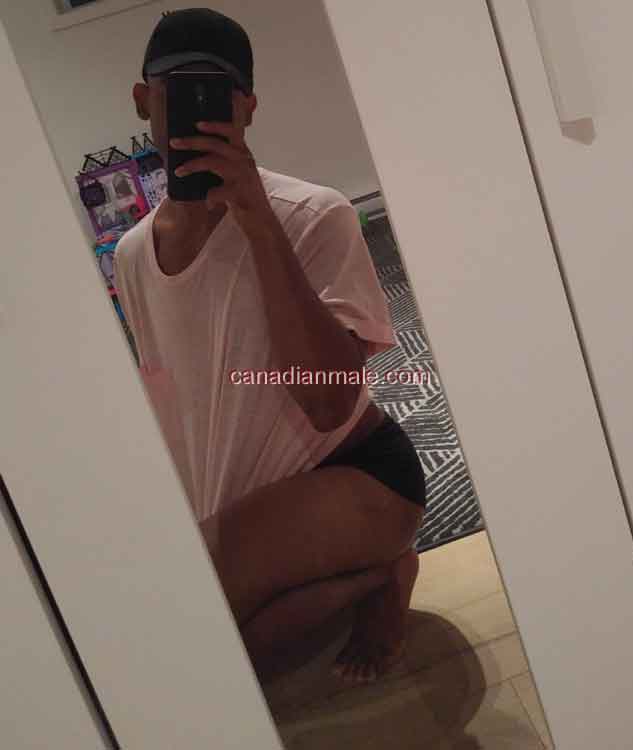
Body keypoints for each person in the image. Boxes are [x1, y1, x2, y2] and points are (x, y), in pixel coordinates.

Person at [114, 8, 428, 685]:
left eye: (217, 92)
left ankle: (380, 564)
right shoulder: (132, 255)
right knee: (229, 656)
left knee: (191, 639)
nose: (195, 109)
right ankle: (375, 579)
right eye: (176, 89)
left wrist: (258, 224)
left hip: (355, 476)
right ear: (143, 99)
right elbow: (174, 399)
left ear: (248, 108)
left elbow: (327, 404)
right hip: (251, 500)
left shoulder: (313, 214)